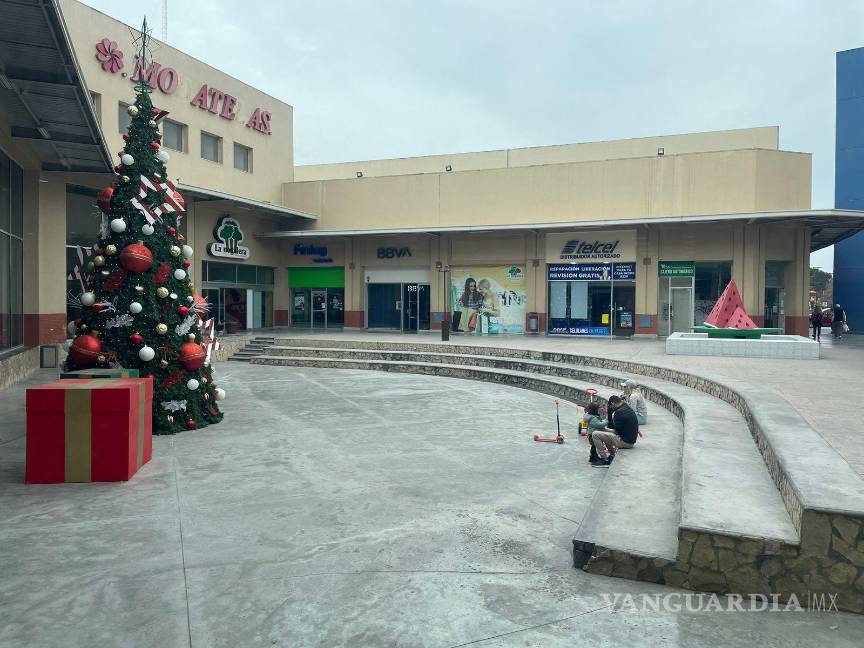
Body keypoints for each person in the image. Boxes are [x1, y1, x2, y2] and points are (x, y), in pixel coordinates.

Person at [591, 395, 639, 467]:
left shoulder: (618, 412)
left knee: (595, 434)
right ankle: (612, 455)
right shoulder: (626, 407)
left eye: (610, 407)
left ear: (612, 403)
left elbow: (616, 432)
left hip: (625, 442)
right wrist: (604, 430)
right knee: (604, 432)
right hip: (630, 440)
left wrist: (604, 429)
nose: (611, 408)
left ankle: (604, 459)